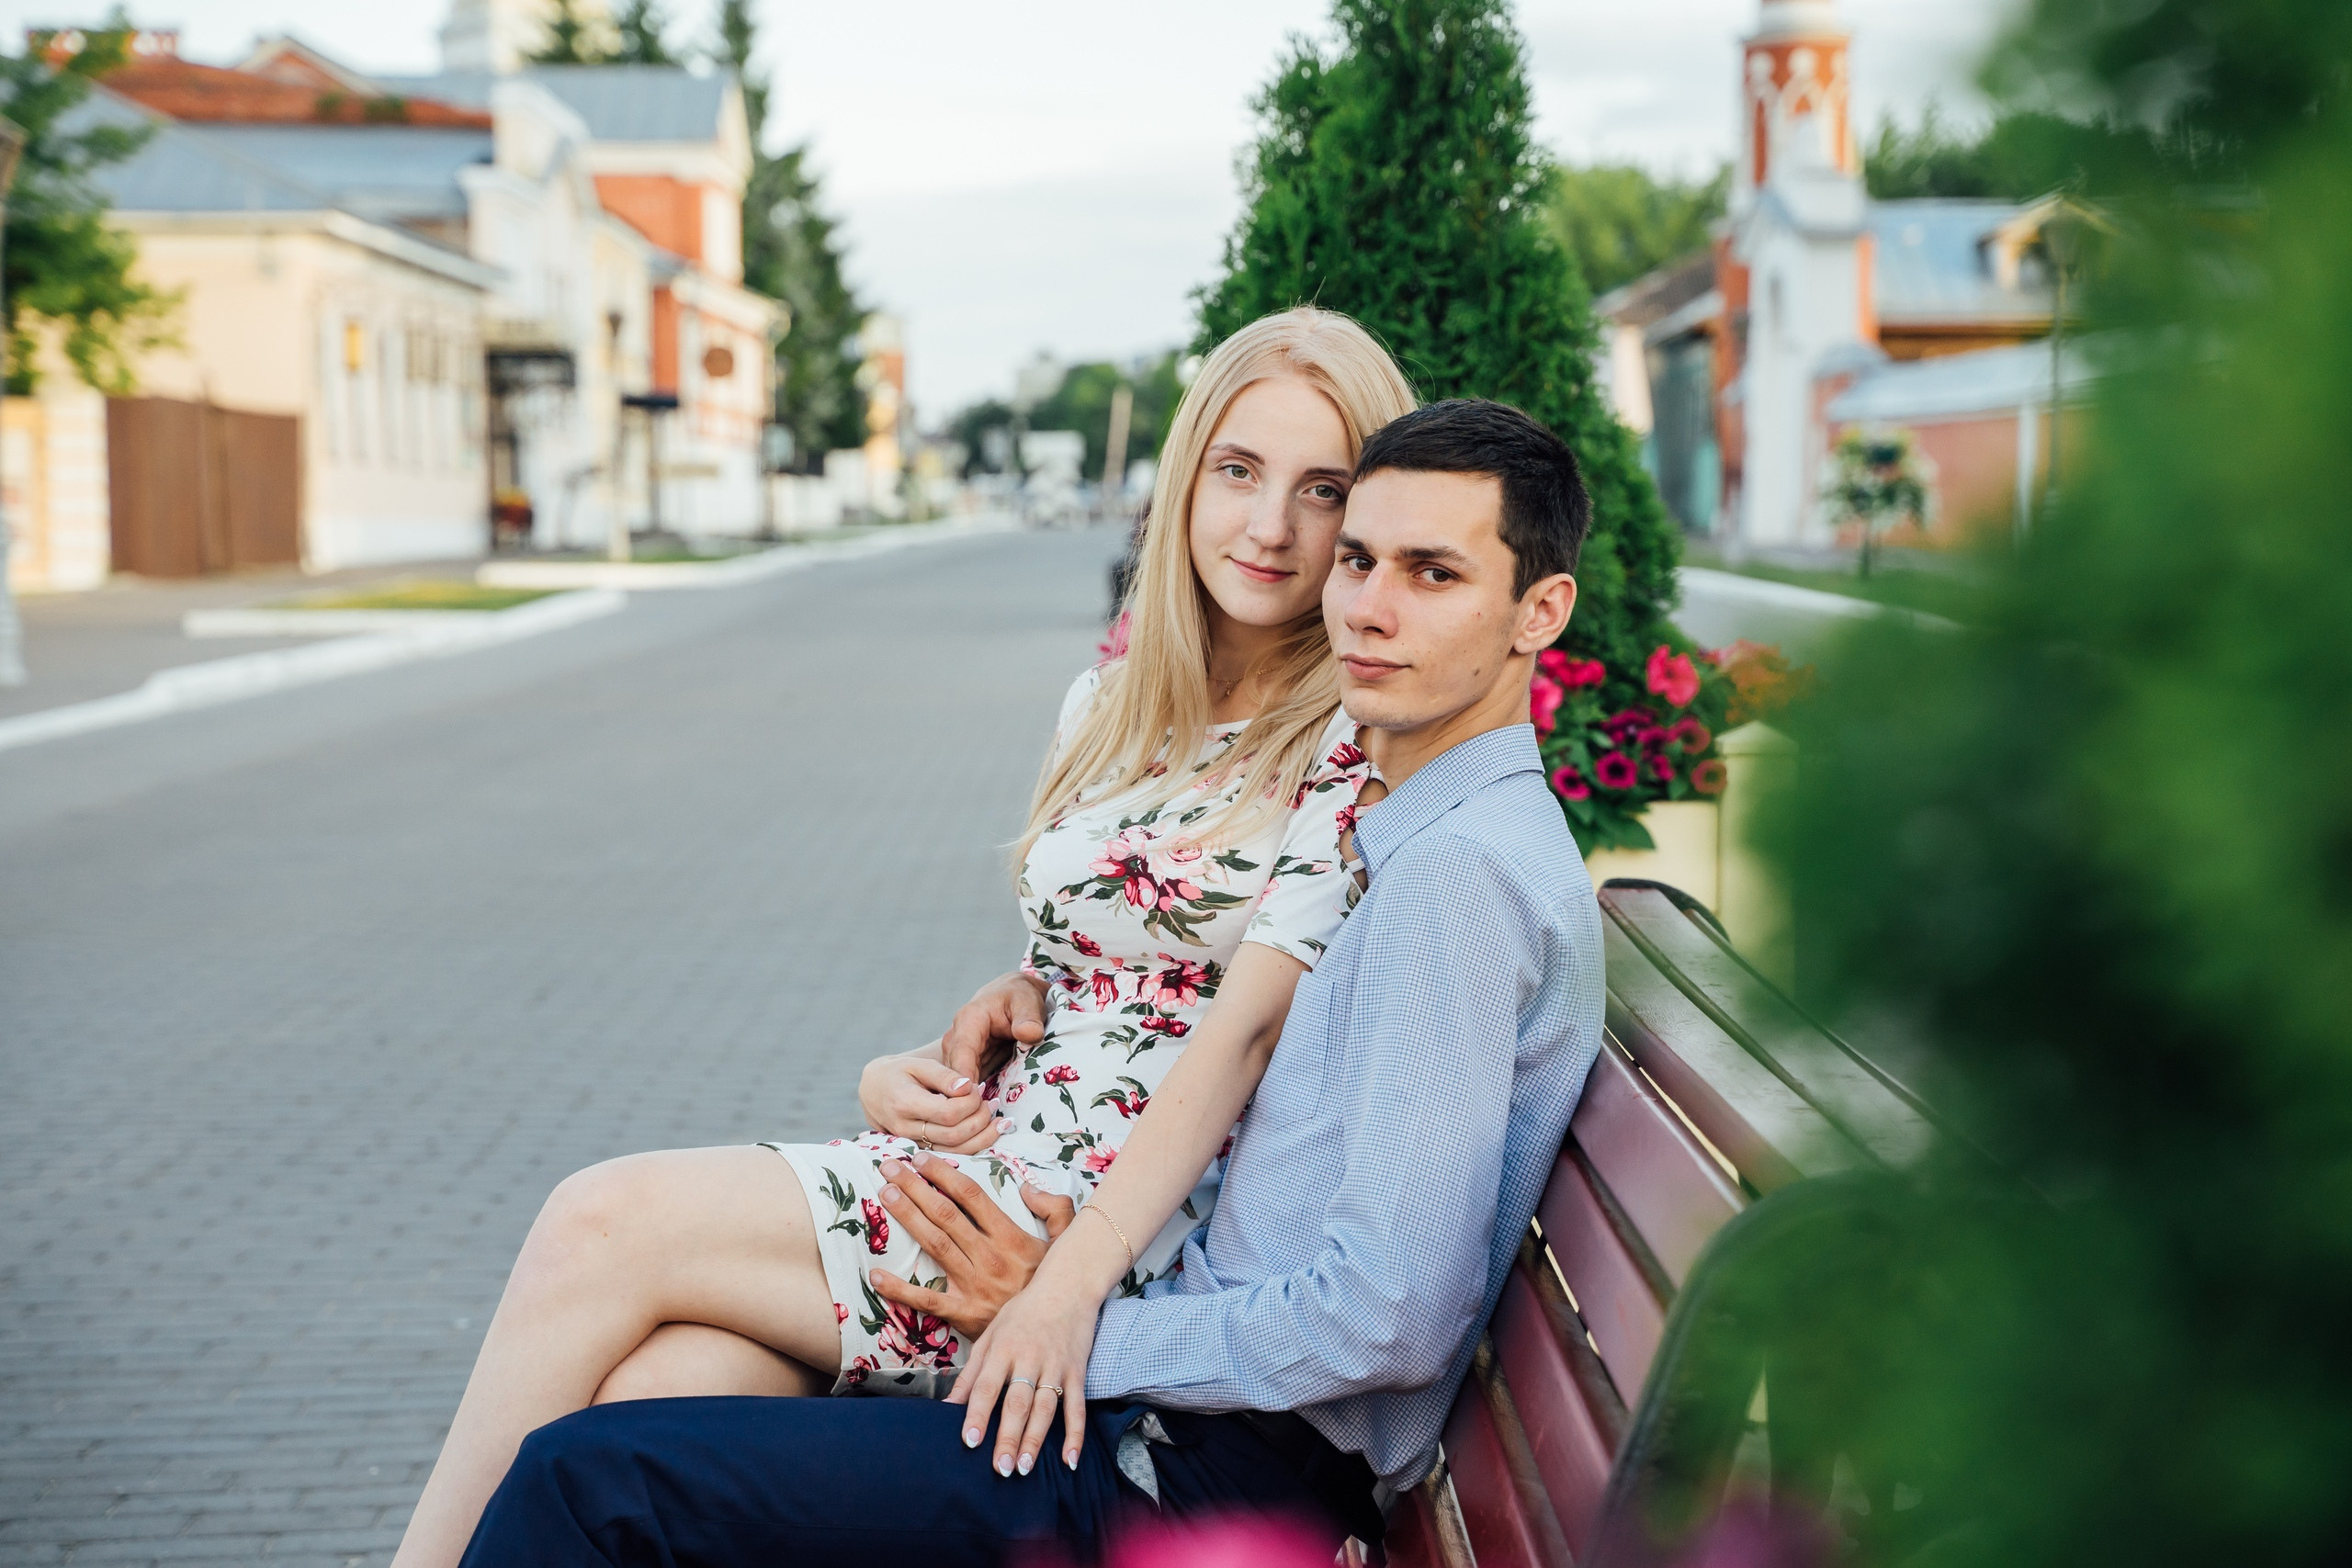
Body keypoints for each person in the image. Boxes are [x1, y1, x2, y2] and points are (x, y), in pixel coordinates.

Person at [451, 399, 1609, 1567]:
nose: (1369, 605)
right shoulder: (1433, 833)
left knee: (589, 1481)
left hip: (1197, 1471)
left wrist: (1074, 1325)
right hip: (1177, 1419)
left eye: (1433, 573)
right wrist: (1026, 997)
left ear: (1538, 611)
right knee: (657, 1395)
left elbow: (1385, 1320)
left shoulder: (1454, 879)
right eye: (1359, 559)